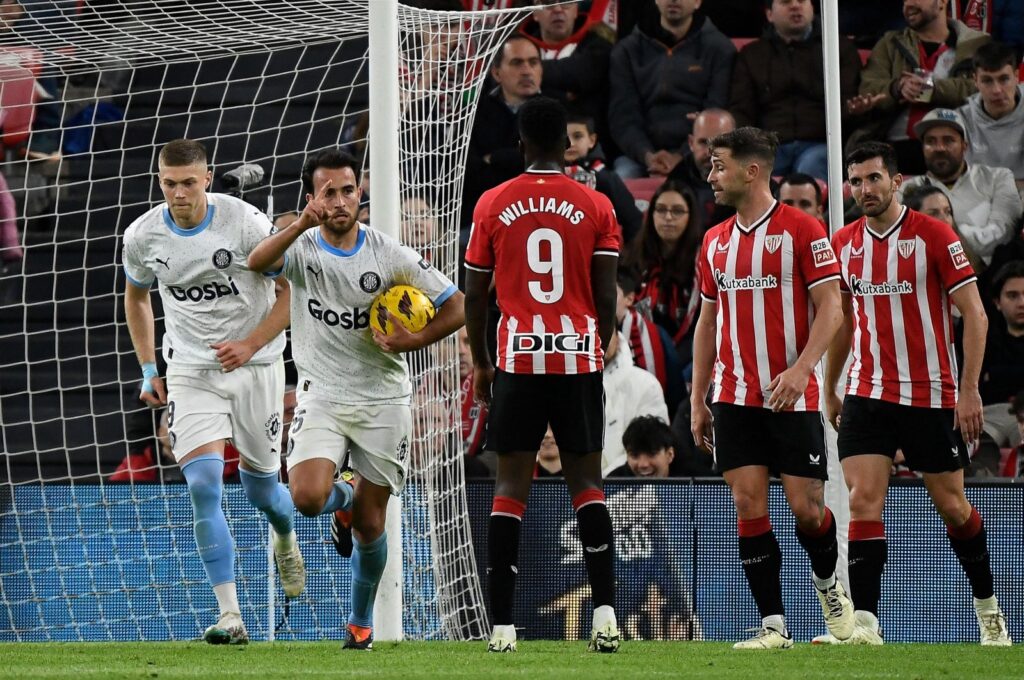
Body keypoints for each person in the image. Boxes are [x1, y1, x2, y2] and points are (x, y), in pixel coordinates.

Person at [247, 148, 465, 650]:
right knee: (306, 499)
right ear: (313, 197)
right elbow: (257, 262)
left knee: (371, 524)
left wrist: (411, 341)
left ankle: (361, 623)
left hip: (384, 397)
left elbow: (456, 305)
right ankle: (339, 500)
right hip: (322, 392)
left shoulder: (389, 253)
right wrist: (302, 221)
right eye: (329, 192)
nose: (340, 201)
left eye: (348, 191)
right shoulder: (301, 249)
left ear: (360, 194)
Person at [823, 141, 1011, 646]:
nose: (864, 189)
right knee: (863, 500)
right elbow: (841, 321)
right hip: (867, 391)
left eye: (873, 179)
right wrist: (830, 387)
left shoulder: (934, 236)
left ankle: (989, 610)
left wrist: (967, 390)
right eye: (855, 181)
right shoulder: (843, 243)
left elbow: (975, 313)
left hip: (931, 393)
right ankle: (865, 622)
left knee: (952, 505)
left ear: (896, 180)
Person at [122, 139, 304, 645]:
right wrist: (146, 368)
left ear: (206, 179)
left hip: (258, 366)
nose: (178, 193)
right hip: (191, 371)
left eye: (187, 182)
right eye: (168, 183)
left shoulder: (244, 223)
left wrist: (249, 344)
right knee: (204, 485)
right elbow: (136, 298)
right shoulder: (142, 235)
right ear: (159, 181)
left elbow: (291, 291)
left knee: (263, 490)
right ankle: (230, 615)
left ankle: (286, 539)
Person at [464, 96, 621, 653]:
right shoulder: (596, 204)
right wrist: (594, 344)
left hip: (520, 358)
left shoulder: (492, 202)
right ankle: (605, 614)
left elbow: (476, 296)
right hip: (576, 357)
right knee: (587, 483)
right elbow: (607, 296)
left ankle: (502, 627)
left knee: (511, 487)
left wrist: (483, 362)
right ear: (568, 145)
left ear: (521, 142)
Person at [688, 127, 854, 649]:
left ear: (751, 170)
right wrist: (698, 398)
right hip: (734, 395)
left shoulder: (802, 230)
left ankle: (829, 588)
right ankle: (773, 626)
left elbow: (832, 306)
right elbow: (707, 323)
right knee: (748, 504)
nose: (711, 176)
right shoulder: (713, 241)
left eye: (719, 166)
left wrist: (805, 368)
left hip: (794, 395)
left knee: (807, 510)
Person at [848, 0, 989, 175]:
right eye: (905, 0)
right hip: (897, 144)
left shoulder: (976, 45)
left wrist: (932, 90)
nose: (908, 5)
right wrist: (896, 88)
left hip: (958, 145)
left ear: (942, 2)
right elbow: (869, 87)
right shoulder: (890, 43)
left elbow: (983, 90)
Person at [728, 0, 862, 180]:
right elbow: (741, 109)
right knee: (753, 169)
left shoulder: (838, 48)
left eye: (801, 1)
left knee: (810, 166)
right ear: (769, 14)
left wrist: (855, 110)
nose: (795, 6)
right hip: (769, 147)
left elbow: (847, 104)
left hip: (821, 145)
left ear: (812, 8)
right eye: (786, 2)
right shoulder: (752, 55)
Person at [608, 0, 735, 179]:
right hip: (639, 156)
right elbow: (622, 116)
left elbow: (716, 110)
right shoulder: (626, 50)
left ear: (698, 2)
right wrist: (648, 156)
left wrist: (681, 156)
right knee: (622, 178)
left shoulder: (720, 49)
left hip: (699, 154)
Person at [900, 108, 1022, 270]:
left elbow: (1002, 236)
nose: (940, 148)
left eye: (948, 140)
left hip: (988, 278)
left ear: (965, 146)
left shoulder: (997, 178)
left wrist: (939, 234)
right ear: (922, 148)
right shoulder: (906, 188)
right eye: (931, 141)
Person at [461, 35, 542, 230]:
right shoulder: (473, 113)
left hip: (537, 214)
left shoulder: (554, 109)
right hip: (480, 216)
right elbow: (469, 171)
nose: (526, 71)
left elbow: (544, 162)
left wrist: (496, 157)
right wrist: (517, 158)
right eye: (517, 63)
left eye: (533, 63)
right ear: (496, 73)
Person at [625, 180, 702, 360]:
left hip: (690, 352)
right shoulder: (632, 257)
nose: (668, 217)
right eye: (660, 209)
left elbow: (704, 325)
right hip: (637, 348)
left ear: (691, 216)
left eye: (677, 211)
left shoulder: (703, 262)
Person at [564, 111, 642, 244]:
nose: (570, 143)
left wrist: (629, 260)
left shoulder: (606, 179)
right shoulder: (544, 178)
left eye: (578, 136)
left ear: (592, 140)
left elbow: (633, 221)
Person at [957, 41, 1024, 194]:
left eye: (1004, 79)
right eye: (987, 80)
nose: (997, 90)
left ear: (1016, 77)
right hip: (977, 200)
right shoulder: (961, 118)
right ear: (975, 81)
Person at [601, 330, 669, 476]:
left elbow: (651, 447)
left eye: (605, 331)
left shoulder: (646, 384)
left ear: (618, 337)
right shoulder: (563, 385)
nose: (600, 338)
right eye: (593, 332)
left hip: (630, 487)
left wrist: (605, 480)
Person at [668, 108, 737, 228]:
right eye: (703, 142)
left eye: (720, 143)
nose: (710, 152)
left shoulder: (755, 184)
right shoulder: (675, 181)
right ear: (691, 143)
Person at [608, 414, 676, 478]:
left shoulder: (686, 475)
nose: (643, 465)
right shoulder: (611, 482)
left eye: (651, 454)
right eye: (634, 455)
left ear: (670, 455)